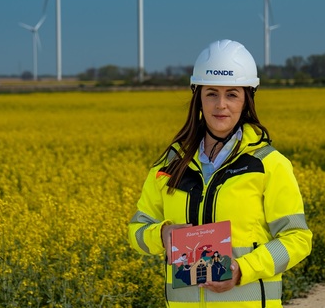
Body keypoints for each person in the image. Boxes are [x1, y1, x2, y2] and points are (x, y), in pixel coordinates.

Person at [128, 39, 312, 308]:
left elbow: (297, 239)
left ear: (246, 99)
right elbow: (137, 228)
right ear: (198, 98)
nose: (221, 105)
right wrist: (162, 235)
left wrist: (241, 270)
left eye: (232, 94)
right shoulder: (170, 166)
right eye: (211, 93)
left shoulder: (268, 165)